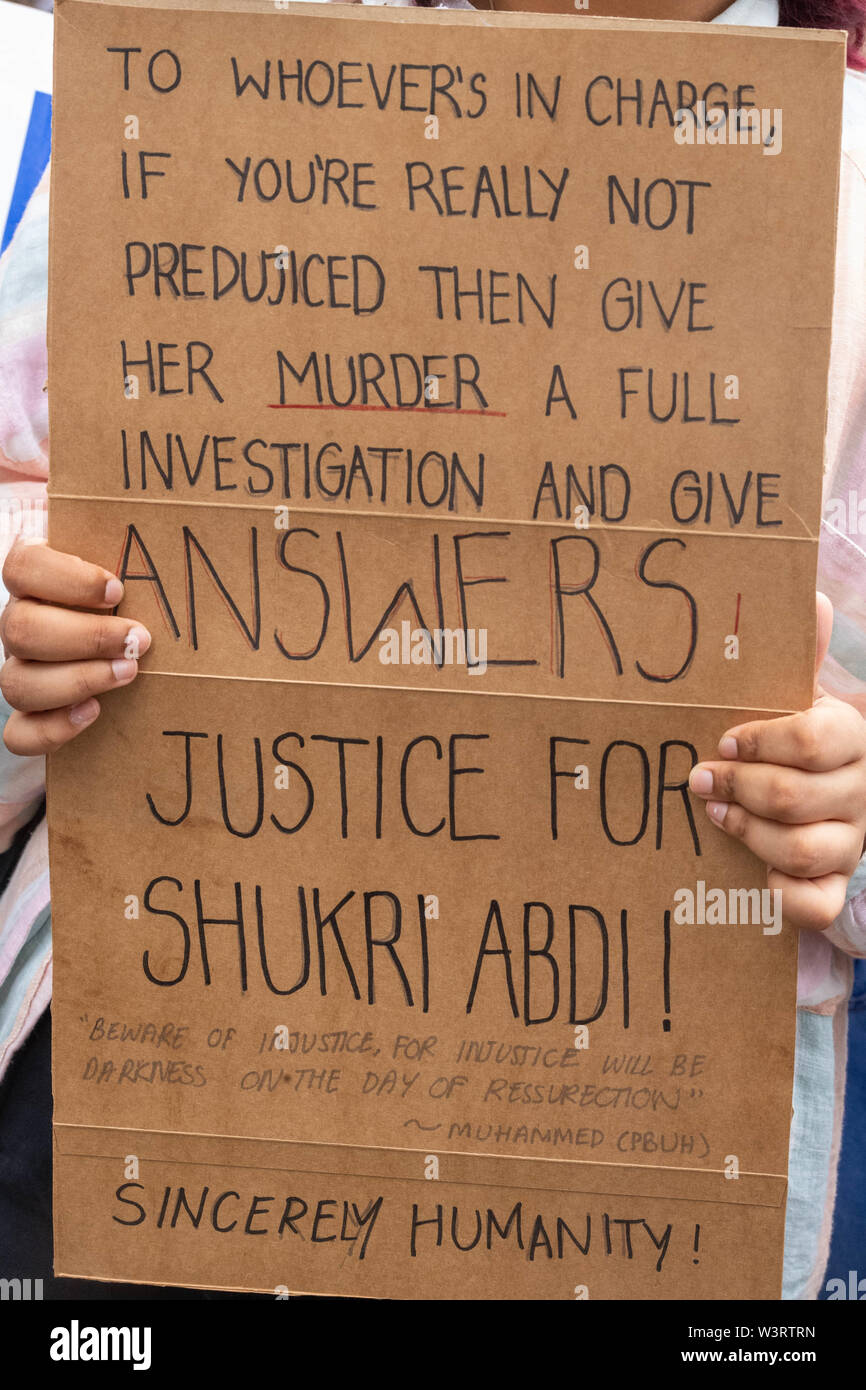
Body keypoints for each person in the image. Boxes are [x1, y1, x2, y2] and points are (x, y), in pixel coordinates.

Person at [0, 0, 864, 1301]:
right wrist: (21, 625)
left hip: (634, 1153)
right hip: (155, 1101)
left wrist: (847, 811)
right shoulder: (206, 92)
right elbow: (16, 468)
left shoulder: (840, 186)